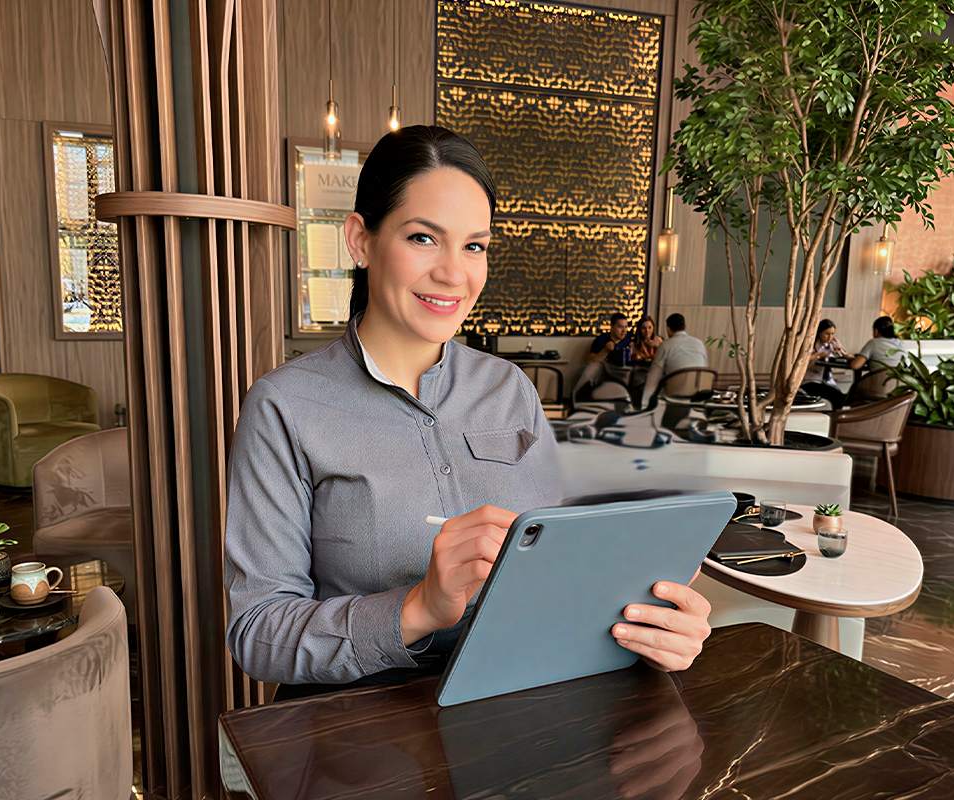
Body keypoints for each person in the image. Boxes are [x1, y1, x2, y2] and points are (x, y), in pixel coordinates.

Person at [223, 125, 712, 697]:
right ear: (360, 241)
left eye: (474, 246)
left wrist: (651, 622)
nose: (454, 274)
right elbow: (258, 634)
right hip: (362, 721)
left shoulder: (509, 387)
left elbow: (559, 570)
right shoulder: (285, 406)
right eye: (423, 238)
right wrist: (419, 607)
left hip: (522, 702)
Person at [638, 313, 709, 408]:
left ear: (668, 328)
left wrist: (644, 405)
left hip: (674, 395)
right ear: (684, 326)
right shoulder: (699, 344)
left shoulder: (666, 345)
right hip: (699, 395)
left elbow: (653, 378)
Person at [575, 312, 634, 394]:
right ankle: (577, 394)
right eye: (620, 327)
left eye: (626, 327)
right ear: (612, 327)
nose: (624, 331)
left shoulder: (629, 339)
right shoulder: (601, 339)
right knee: (593, 368)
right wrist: (605, 350)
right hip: (604, 368)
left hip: (621, 370)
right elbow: (590, 360)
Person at [801, 319, 853, 409]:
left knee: (842, 397)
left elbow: (849, 357)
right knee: (837, 396)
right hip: (810, 381)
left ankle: (836, 415)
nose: (830, 337)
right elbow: (802, 360)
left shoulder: (832, 344)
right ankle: (836, 416)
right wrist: (818, 355)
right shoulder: (810, 344)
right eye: (827, 334)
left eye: (832, 334)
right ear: (819, 333)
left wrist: (841, 350)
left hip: (827, 382)